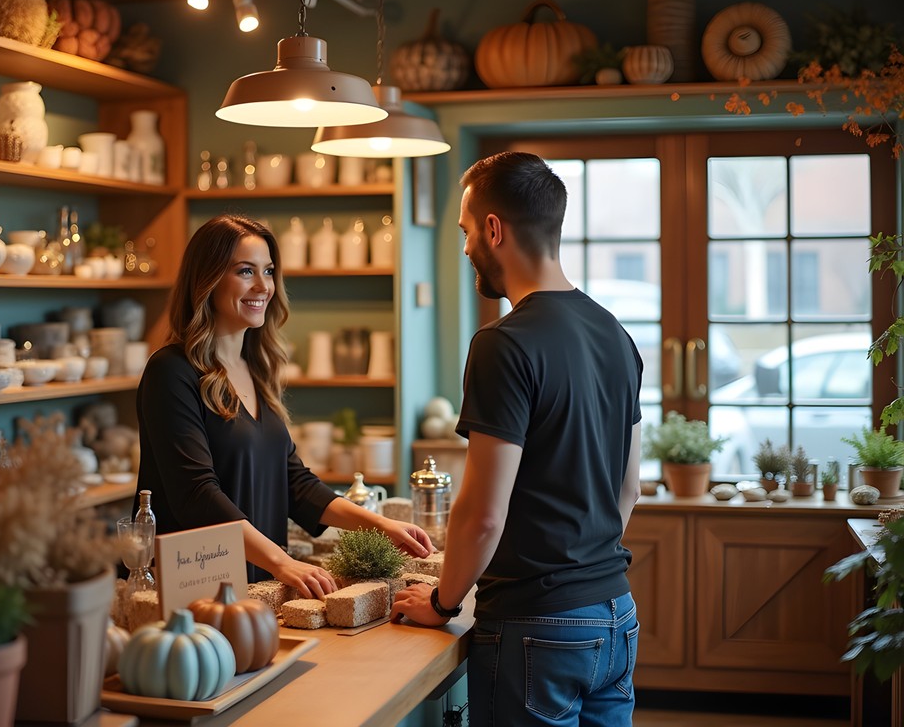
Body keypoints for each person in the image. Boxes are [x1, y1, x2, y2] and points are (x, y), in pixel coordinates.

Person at [391, 152, 643, 726]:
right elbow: (627, 488)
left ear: (493, 229)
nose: (464, 248)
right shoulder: (615, 333)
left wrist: (440, 603)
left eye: (464, 231)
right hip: (616, 613)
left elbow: (482, 513)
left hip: (537, 627)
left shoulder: (503, 344)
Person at [136, 214, 432, 599]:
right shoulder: (171, 372)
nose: (263, 286)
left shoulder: (255, 368)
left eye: (269, 271)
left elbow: (295, 483)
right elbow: (196, 495)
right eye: (245, 271)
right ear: (206, 280)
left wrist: (380, 524)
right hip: (197, 592)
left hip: (261, 588)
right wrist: (281, 561)